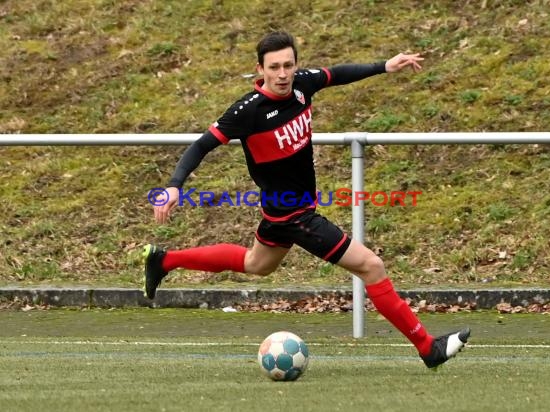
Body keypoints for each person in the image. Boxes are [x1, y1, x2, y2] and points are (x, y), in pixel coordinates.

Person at [143, 31, 470, 369]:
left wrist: (384, 66)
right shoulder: (248, 111)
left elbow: (338, 74)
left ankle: (165, 261)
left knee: (257, 264)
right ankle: (426, 346)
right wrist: (174, 185)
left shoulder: (302, 85)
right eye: (274, 67)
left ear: (295, 64)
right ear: (260, 69)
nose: (283, 74)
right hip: (294, 216)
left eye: (288, 65)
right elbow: (201, 145)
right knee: (371, 266)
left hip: (279, 211)